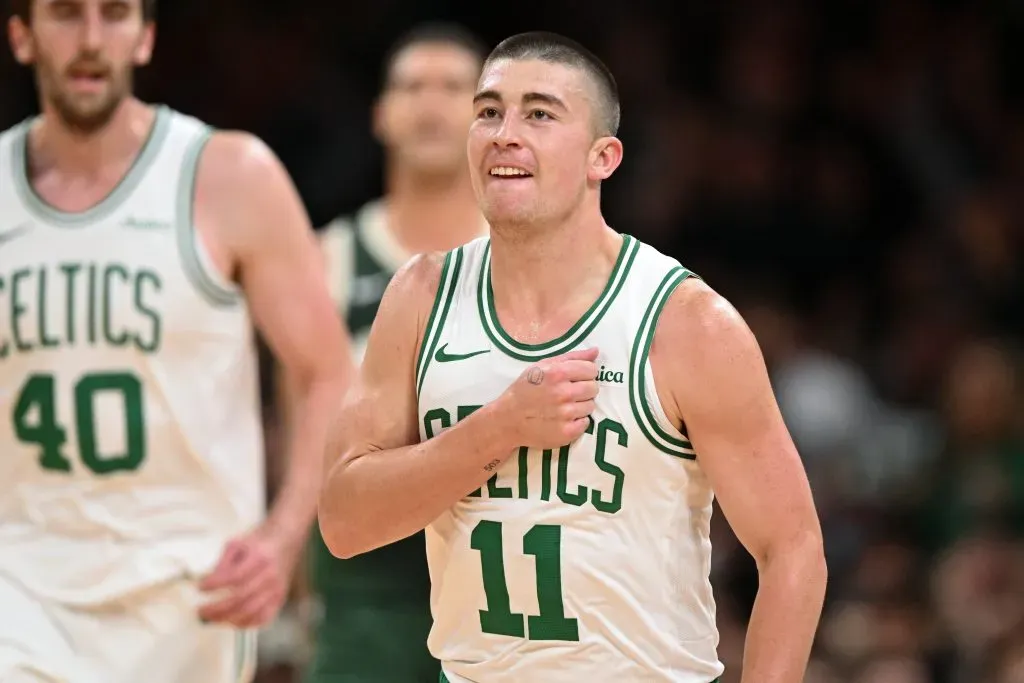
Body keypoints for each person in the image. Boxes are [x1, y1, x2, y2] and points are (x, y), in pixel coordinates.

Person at [319, 30, 827, 683]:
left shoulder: (685, 322)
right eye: (488, 111)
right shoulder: (421, 295)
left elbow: (793, 548)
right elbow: (344, 520)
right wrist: (501, 427)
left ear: (602, 158)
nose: (504, 132)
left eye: (538, 113)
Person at [0, 1, 350, 681]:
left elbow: (327, 372)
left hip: (190, 592)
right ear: (21, 36)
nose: (92, 40)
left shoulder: (229, 174)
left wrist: (282, 540)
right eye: (67, 14)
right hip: (23, 590)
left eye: (116, 14)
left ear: (146, 36)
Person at [301, 22, 488, 683]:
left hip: (497, 564)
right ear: (380, 115)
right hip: (365, 581)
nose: (432, 103)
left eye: (454, 88)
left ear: (487, 115)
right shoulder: (326, 257)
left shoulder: (527, 258)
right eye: (412, 86)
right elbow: (297, 426)